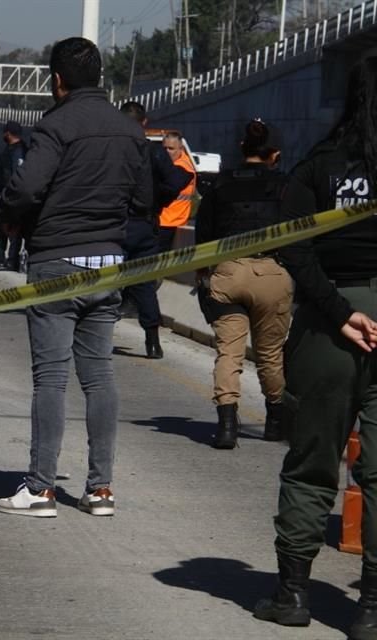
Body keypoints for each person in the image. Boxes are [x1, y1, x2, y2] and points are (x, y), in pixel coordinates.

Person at [0, 37, 151, 518]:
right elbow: (145, 200)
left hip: (57, 262)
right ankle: (100, 489)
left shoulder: (55, 126)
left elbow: (24, 190)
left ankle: (41, 489)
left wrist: (9, 216)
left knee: (51, 380)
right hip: (108, 265)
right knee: (100, 378)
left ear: (57, 80)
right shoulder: (130, 131)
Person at [252, 58, 377, 638]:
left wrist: (341, 312)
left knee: (312, 465)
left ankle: (293, 593)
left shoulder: (320, 165)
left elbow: (294, 248)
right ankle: (371, 609)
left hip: (331, 324)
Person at [193, 119, 292, 449]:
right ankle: (275, 422)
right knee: (270, 355)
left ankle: (226, 427)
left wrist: (203, 275)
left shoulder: (220, 185)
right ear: (274, 154)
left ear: (241, 149)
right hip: (272, 272)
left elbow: (203, 235)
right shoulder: (286, 186)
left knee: (228, 354)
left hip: (228, 272)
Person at [119, 101, 194, 359]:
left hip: (114, 225)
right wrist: (158, 201)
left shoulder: (111, 148)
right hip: (144, 226)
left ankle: (91, 334)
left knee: (101, 280)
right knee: (144, 285)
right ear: (144, 124)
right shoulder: (154, 153)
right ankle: (152, 341)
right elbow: (175, 182)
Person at [0, 120, 28, 271]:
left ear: (8, 133)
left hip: (12, 197)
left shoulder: (18, 151)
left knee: (13, 230)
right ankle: (0, 258)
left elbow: (16, 176)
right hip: (6, 195)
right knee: (1, 228)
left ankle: (11, 261)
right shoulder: (14, 149)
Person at [158, 132, 197, 252]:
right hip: (165, 220)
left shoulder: (183, 167)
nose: (167, 152)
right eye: (165, 148)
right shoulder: (171, 164)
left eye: (171, 148)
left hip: (169, 222)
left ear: (181, 149)